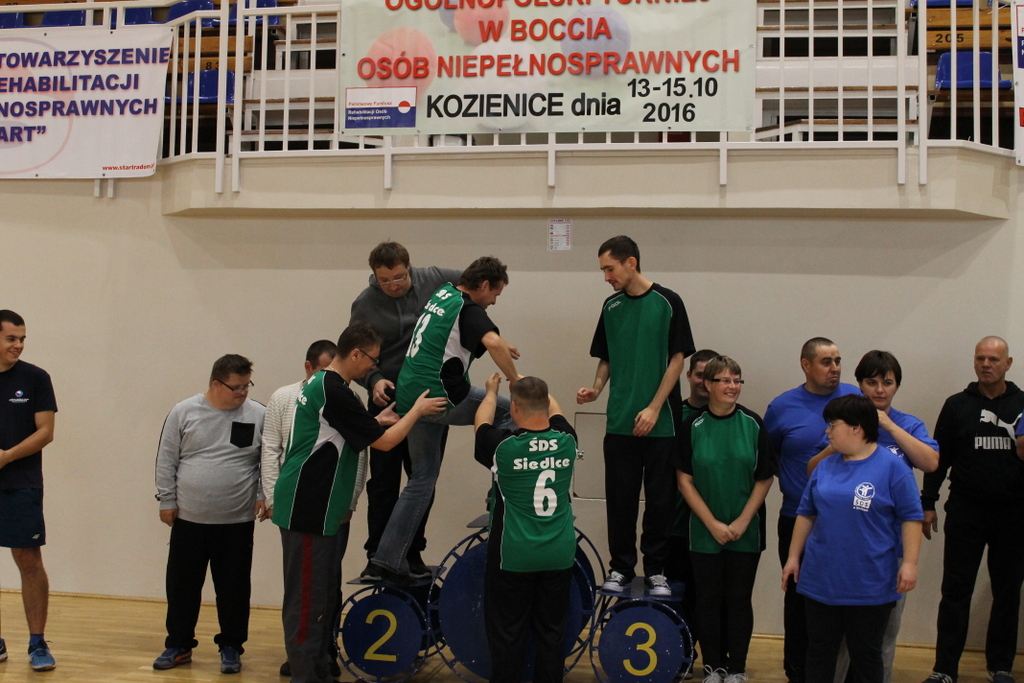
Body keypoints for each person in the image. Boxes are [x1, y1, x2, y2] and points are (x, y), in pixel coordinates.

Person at [273, 322, 446, 683]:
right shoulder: (334, 390)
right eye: (372, 359)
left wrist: (374, 420)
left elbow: (338, 430)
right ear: (355, 354)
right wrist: (416, 412)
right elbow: (385, 443)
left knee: (321, 595)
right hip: (308, 507)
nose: (373, 367)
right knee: (307, 600)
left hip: (321, 508)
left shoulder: (328, 386)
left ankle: (318, 669)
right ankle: (304, 675)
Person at [372, 256, 520, 584]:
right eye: (495, 294)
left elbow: (466, 334)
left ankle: (387, 558)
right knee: (512, 411)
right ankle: (500, 494)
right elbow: (491, 341)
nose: (494, 301)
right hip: (440, 398)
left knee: (421, 478)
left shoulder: (444, 293)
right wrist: (516, 379)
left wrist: (500, 341)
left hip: (413, 398)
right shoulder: (469, 309)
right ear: (484, 285)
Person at [806, 350, 939, 683]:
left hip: (888, 550)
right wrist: (847, 437)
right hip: (840, 551)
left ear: (897, 386)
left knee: (880, 638)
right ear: (860, 384)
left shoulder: (908, 424)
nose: (880, 390)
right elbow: (812, 471)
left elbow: (930, 462)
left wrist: (888, 426)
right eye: (872, 382)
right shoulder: (842, 422)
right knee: (833, 643)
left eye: (887, 383)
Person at [577, 235, 695, 597]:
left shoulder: (669, 301)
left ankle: (656, 570)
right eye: (602, 270)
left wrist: (654, 407)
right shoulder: (610, 306)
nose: (606, 277)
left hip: (662, 423)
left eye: (609, 269)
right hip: (620, 423)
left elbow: (677, 360)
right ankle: (621, 568)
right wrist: (596, 389)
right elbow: (607, 357)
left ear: (631, 262)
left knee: (660, 501)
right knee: (621, 500)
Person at [782, 394, 923, 683]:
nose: (827, 431)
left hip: (870, 582)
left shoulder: (893, 468)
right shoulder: (825, 466)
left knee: (866, 654)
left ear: (856, 428)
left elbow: (911, 517)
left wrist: (910, 563)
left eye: (833, 425)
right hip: (821, 579)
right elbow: (806, 513)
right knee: (819, 651)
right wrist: (794, 557)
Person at [349, 242, 462, 580]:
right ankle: (377, 555)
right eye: (384, 280)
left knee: (422, 479)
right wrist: (374, 380)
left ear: (409, 268)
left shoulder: (435, 279)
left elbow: (474, 284)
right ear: (374, 276)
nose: (393, 285)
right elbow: (356, 353)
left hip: (428, 398)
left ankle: (411, 552)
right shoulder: (365, 303)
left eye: (399, 277)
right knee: (383, 482)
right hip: (388, 397)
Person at [153, 354, 266, 674]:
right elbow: (167, 458)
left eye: (246, 385)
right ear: (216, 384)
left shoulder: (259, 414)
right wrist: (166, 500)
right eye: (236, 387)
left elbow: (269, 459)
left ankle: (231, 646)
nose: (243, 392)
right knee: (182, 587)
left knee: (234, 589)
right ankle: (179, 645)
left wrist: (264, 495)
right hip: (189, 519)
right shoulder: (184, 411)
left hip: (236, 521)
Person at [921, 337, 1024, 683]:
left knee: (1007, 592)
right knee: (955, 591)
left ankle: (1001, 667)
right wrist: (928, 502)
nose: (986, 364)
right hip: (966, 512)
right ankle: (944, 669)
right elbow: (938, 458)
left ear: (1008, 364)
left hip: (1014, 515)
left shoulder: (1023, 404)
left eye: (993, 359)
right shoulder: (956, 406)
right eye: (980, 358)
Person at [764, 337, 859, 683]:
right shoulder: (782, 407)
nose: (835, 368)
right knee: (798, 599)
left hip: (847, 521)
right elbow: (769, 455)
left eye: (838, 361)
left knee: (843, 601)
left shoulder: (854, 400)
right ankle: (797, 672)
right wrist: (795, 484)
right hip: (797, 518)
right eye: (826, 362)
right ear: (806, 365)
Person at [474, 374, 578, 683]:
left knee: (507, 636)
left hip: (514, 555)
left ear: (515, 408)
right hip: (558, 553)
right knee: (551, 634)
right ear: (545, 404)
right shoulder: (568, 440)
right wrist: (522, 379)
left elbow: (482, 423)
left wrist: (491, 392)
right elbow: (556, 411)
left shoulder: (503, 448)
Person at [677, 356, 775, 683]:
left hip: (745, 531)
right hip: (704, 531)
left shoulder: (753, 423)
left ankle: (737, 669)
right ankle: (713, 666)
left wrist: (743, 521)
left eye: (737, 380)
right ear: (708, 384)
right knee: (707, 600)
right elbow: (684, 481)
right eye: (725, 380)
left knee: (738, 600)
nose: (733, 386)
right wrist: (712, 524)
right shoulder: (692, 426)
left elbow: (764, 478)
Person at [260, 339, 338, 679]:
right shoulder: (285, 397)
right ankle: (301, 661)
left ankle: (323, 656)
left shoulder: (341, 396)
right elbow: (270, 449)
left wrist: (349, 501)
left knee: (327, 585)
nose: (329, 377)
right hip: (300, 508)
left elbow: (358, 453)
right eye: (323, 370)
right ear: (308, 367)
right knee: (302, 588)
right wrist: (273, 498)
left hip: (332, 507)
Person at [0, 310, 57, 672]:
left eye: (22, 339)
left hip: (20, 484)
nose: (18, 345)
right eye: (11, 338)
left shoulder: (35, 378)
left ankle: (37, 643)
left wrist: (6, 457)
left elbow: (46, 432)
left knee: (29, 561)